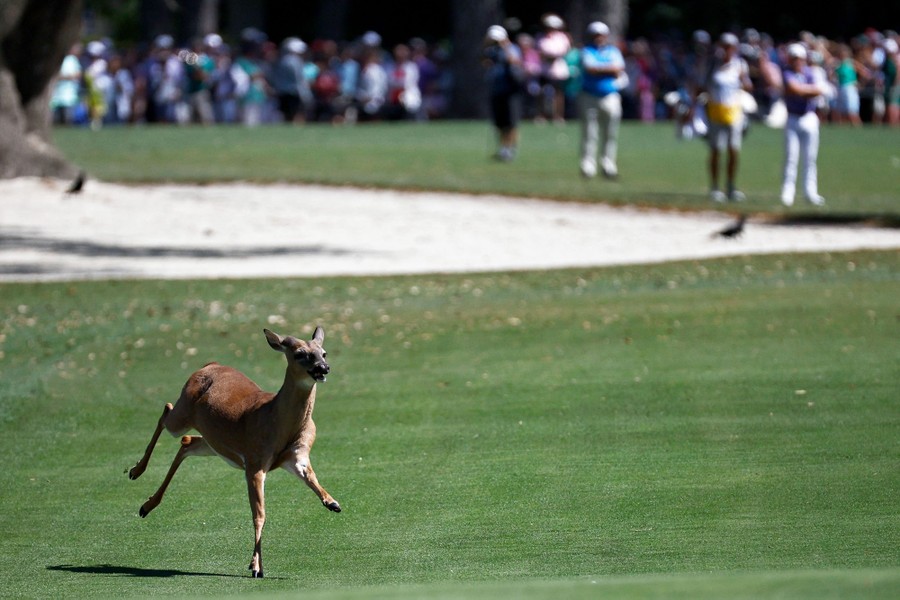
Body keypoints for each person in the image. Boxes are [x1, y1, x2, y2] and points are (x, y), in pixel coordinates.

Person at [694, 32, 752, 202]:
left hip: (734, 113)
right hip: (715, 112)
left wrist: (744, 79)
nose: (727, 50)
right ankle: (714, 187)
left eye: (730, 47)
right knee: (716, 150)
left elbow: (748, 86)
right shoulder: (712, 65)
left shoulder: (739, 65)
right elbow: (700, 86)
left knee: (733, 150)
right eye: (724, 46)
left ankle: (731, 186)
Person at [578, 21, 626, 179]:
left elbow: (618, 69)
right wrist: (608, 69)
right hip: (589, 96)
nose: (598, 38)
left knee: (610, 134)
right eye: (595, 35)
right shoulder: (586, 51)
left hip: (610, 96)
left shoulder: (613, 51)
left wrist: (601, 69)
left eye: (601, 35)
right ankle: (588, 166)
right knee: (589, 133)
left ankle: (608, 165)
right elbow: (590, 69)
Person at [780, 43, 825, 207]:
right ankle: (788, 192)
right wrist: (807, 90)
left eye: (799, 59)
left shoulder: (810, 72)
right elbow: (795, 90)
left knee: (810, 158)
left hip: (809, 117)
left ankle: (810, 192)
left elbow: (818, 90)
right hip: (793, 117)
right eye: (794, 59)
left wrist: (803, 89)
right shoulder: (787, 73)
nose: (797, 62)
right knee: (791, 156)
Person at [483, 24, 523, 161]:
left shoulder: (512, 49)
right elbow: (484, 62)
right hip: (497, 90)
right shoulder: (491, 51)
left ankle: (510, 149)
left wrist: (505, 46)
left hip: (511, 91)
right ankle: (502, 148)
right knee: (499, 123)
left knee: (511, 123)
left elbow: (514, 61)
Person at [536, 13, 572, 123]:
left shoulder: (562, 37)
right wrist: (548, 56)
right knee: (541, 92)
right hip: (544, 69)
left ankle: (558, 116)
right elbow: (540, 52)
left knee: (558, 93)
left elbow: (564, 51)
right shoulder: (541, 37)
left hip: (558, 70)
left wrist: (552, 56)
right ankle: (542, 115)